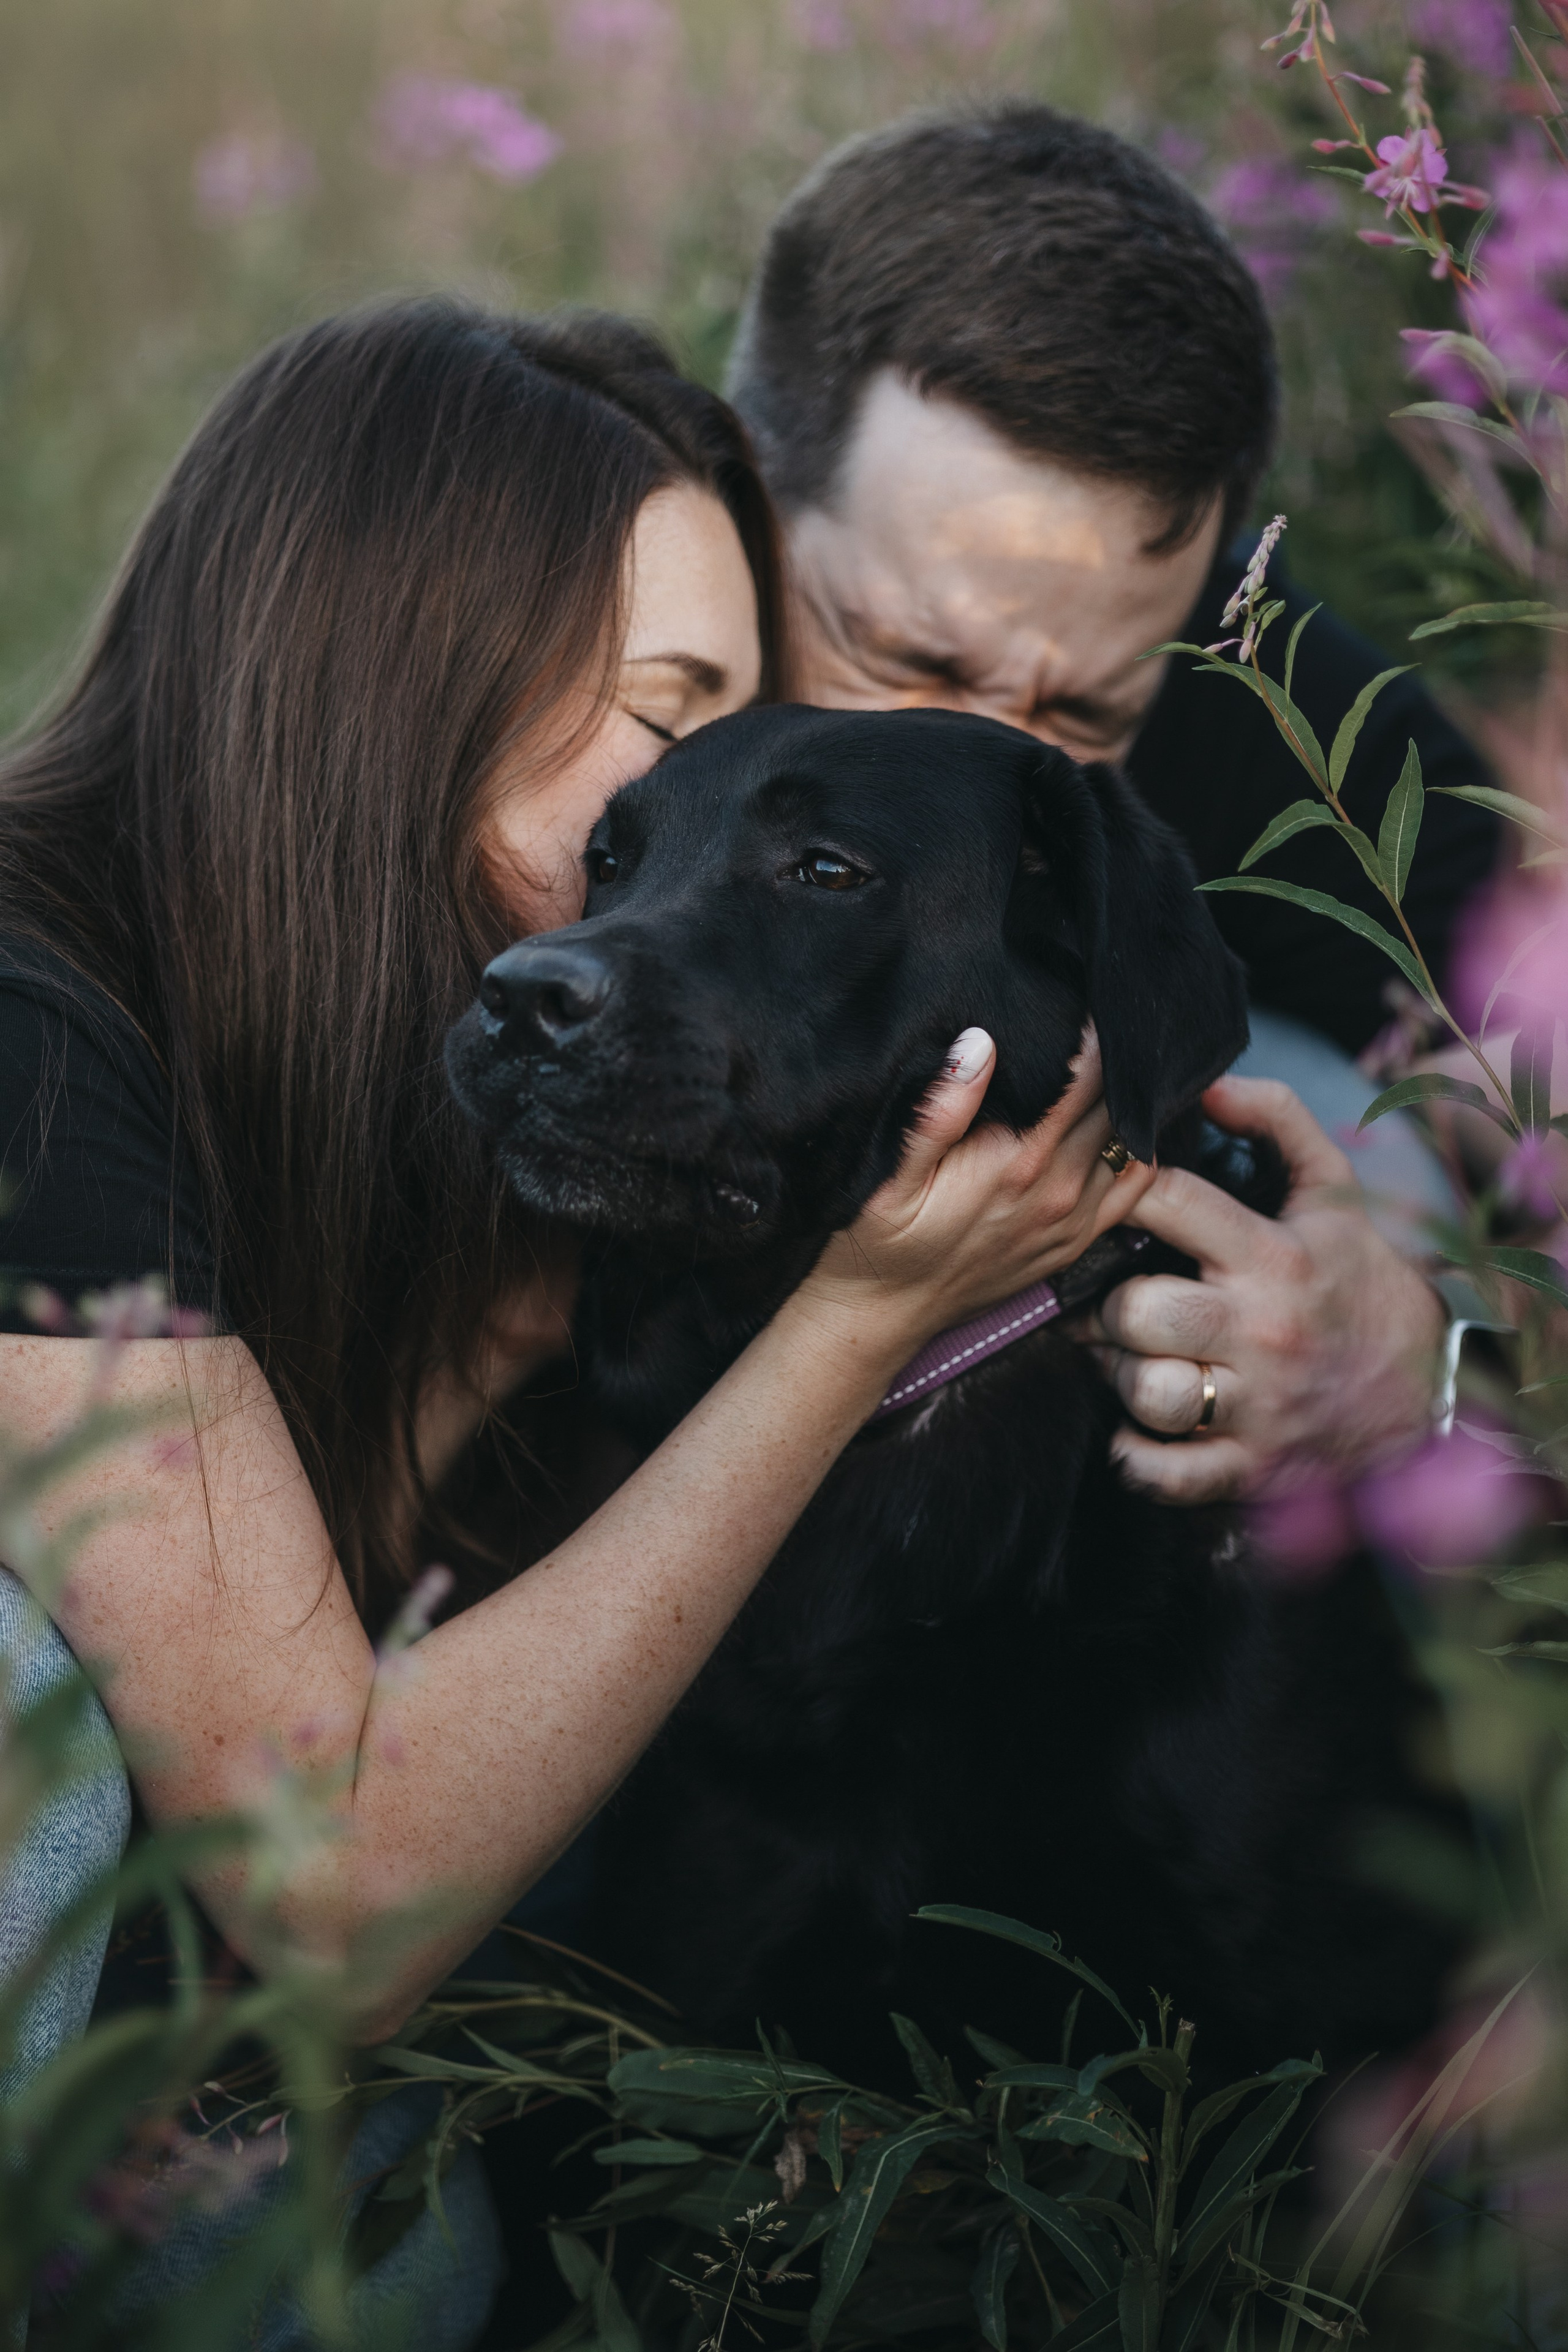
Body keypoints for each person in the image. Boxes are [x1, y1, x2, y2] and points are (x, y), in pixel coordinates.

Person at [0, 301, 1155, 2335]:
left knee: (395, 2242)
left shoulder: (447, 1056)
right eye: (671, 713)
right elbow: (325, 1883)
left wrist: (1384, 1309)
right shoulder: (29, 1029)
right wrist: (856, 1326)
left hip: (189, 2040)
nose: (704, 813)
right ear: (404, 674)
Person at [727, 100, 1499, 1502]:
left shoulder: (1247, 671)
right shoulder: (572, 609)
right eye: (912, 662)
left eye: (1081, 717)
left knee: (1305, 1083)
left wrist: (1406, 1337)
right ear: (741, 498)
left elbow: (1514, 1047)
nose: (991, 805)